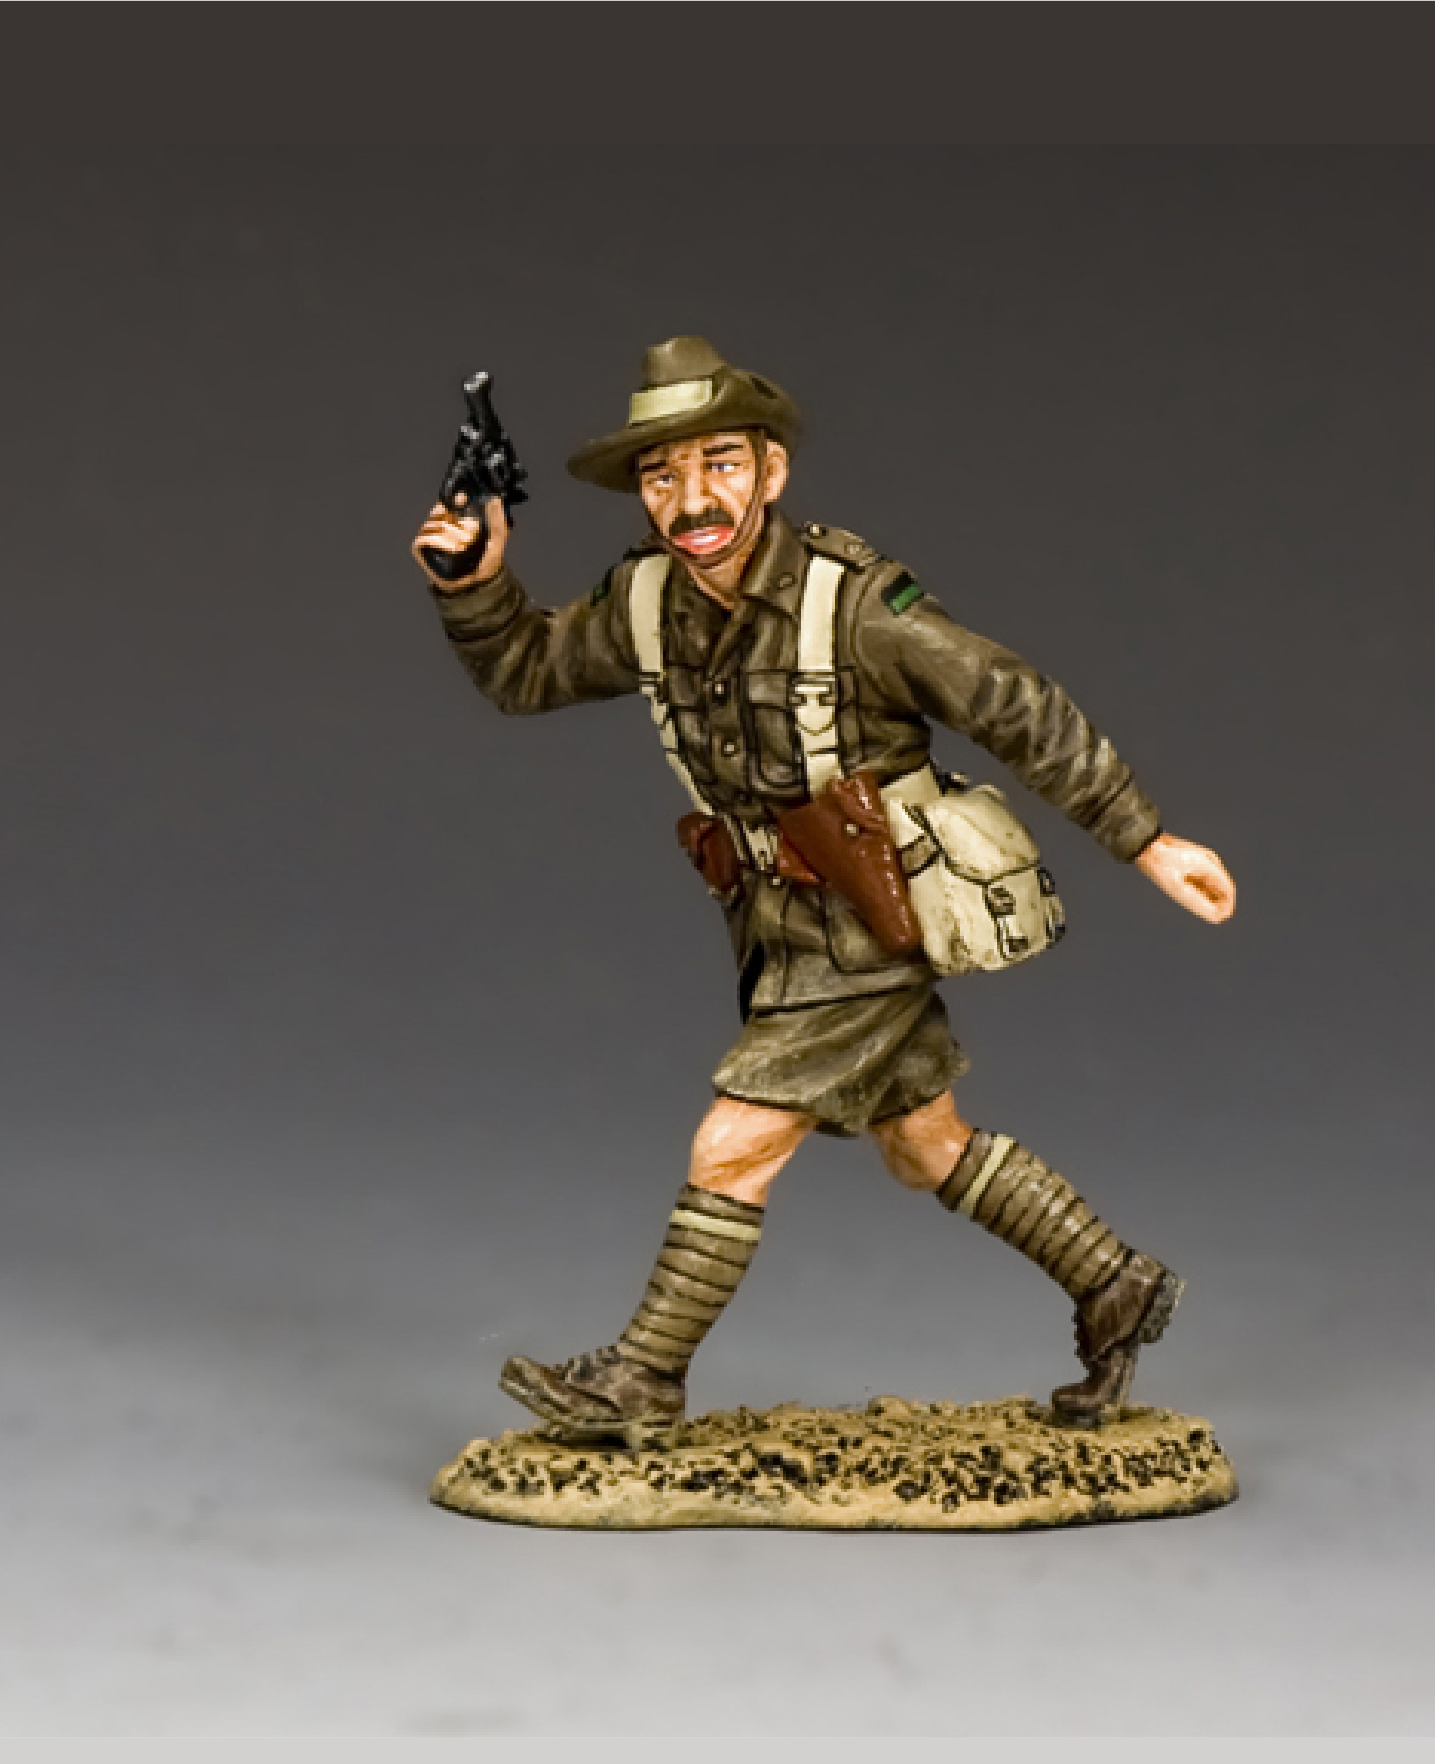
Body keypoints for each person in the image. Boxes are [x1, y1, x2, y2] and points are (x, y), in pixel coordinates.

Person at [412, 336, 1236, 1444]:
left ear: (771, 471)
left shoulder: (854, 605)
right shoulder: (646, 600)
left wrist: (1144, 839)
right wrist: (471, 584)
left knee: (732, 1142)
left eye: (718, 464)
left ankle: (642, 1378)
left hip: (864, 921)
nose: (691, 499)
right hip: (772, 925)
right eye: (661, 473)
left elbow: (1013, 704)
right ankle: (1113, 1282)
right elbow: (525, 672)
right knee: (922, 1144)